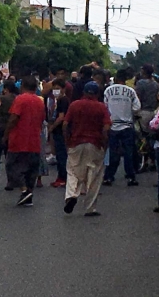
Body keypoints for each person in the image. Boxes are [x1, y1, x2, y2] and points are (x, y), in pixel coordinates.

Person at [62, 82, 111, 216]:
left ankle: (71, 195)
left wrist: (67, 141)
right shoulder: (101, 107)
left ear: (83, 92)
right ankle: (90, 208)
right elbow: (106, 127)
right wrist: (104, 144)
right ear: (97, 94)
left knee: (72, 170)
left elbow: (65, 124)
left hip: (76, 142)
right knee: (94, 176)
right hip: (95, 143)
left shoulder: (74, 105)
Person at [5, 76, 46, 207]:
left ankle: (24, 190)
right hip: (34, 139)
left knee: (12, 166)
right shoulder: (40, 101)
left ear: (22, 86)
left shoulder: (20, 99)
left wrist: (6, 134)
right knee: (31, 169)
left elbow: (14, 118)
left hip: (19, 139)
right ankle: (28, 193)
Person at [103, 69, 141, 187]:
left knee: (113, 153)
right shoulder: (131, 91)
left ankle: (109, 177)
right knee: (128, 153)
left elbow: (104, 106)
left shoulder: (108, 90)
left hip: (113, 125)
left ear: (115, 78)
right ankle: (130, 177)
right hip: (127, 125)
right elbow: (137, 107)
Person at [49, 78, 70, 188]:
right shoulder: (59, 100)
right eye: (54, 89)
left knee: (61, 155)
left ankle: (63, 177)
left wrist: (52, 127)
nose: (55, 91)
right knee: (60, 154)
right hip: (59, 131)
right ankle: (61, 176)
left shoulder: (63, 100)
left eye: (57, 89)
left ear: (63, 89)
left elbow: (61, 117)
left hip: (60, 131)